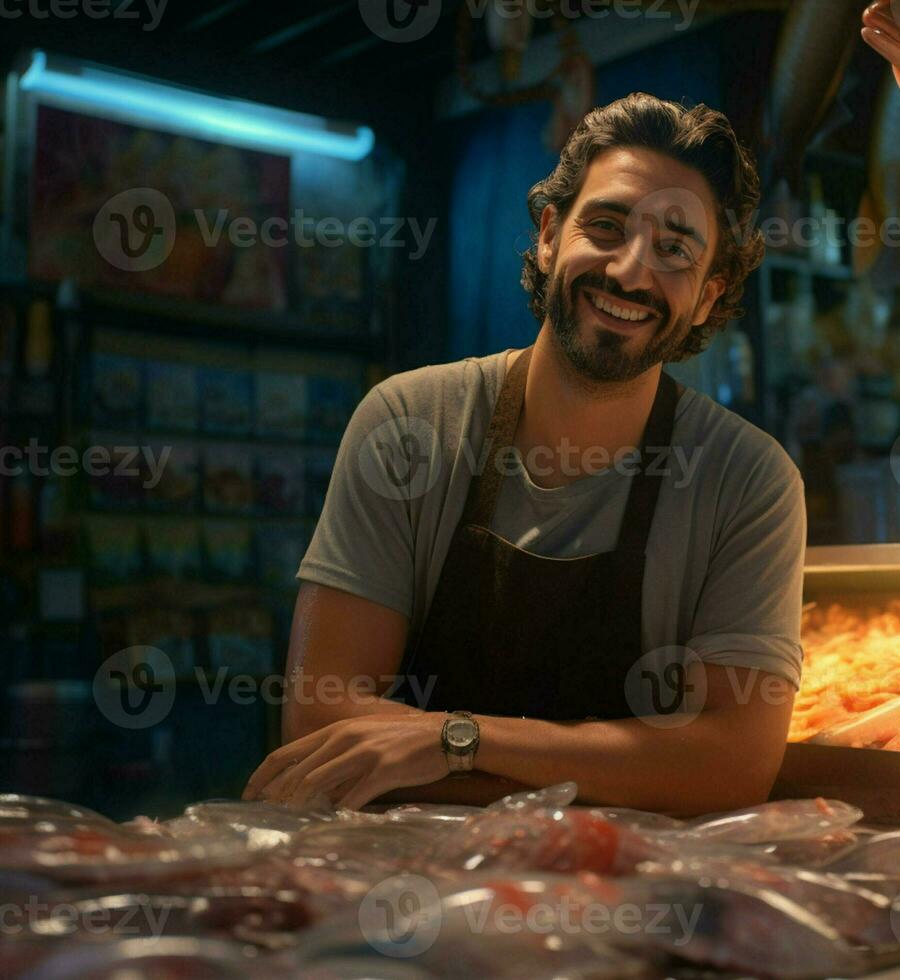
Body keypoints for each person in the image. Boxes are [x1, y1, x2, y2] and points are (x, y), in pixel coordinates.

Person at [243, 93, 804, 815]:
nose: (630, 274)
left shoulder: (748, 482)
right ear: (548, 234)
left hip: (621, 904)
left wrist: (459, 740)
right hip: (394, 897)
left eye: (674, 249)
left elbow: (731, 766)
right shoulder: (410, 424)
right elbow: (321, 721)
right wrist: (632, 764)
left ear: (707, 296)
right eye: (606, 227)